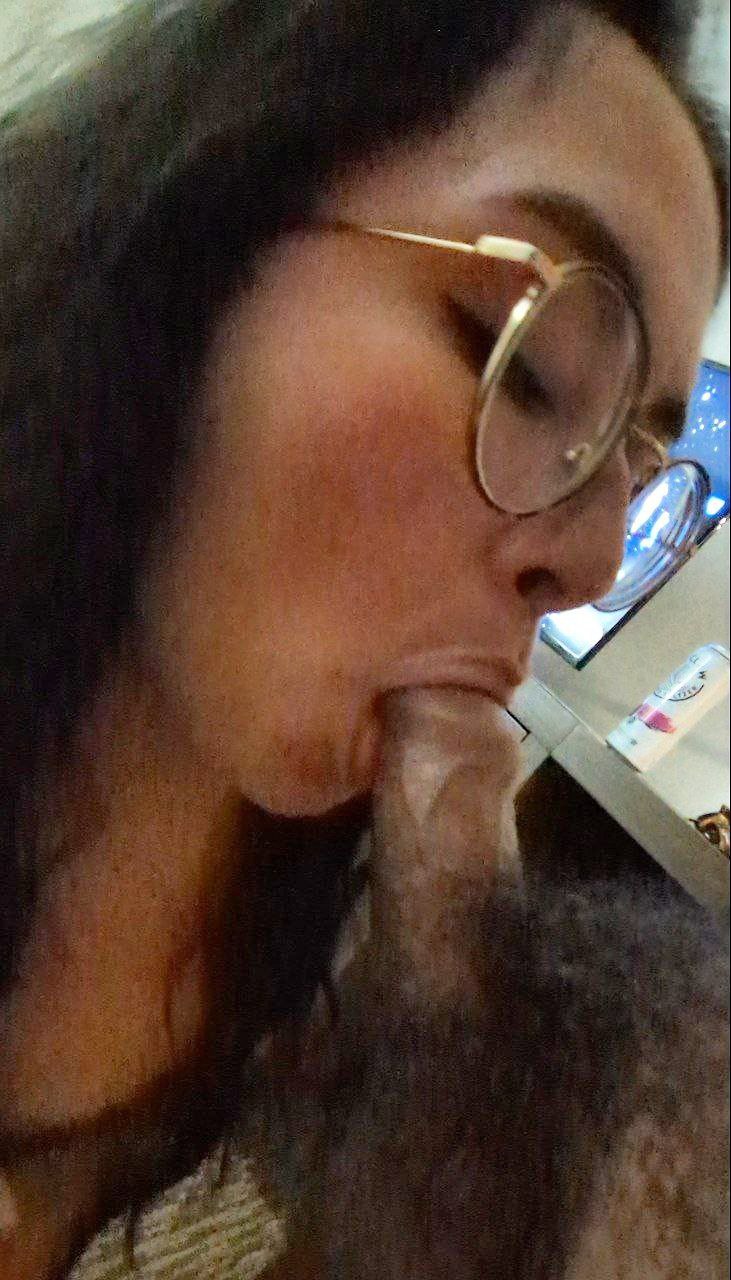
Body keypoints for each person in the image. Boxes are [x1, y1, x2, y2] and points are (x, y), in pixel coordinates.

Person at [0, 0, 727, 1275]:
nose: (593, 562)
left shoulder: (324, 938)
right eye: (529, 365)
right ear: (207, 225)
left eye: (635, 464)